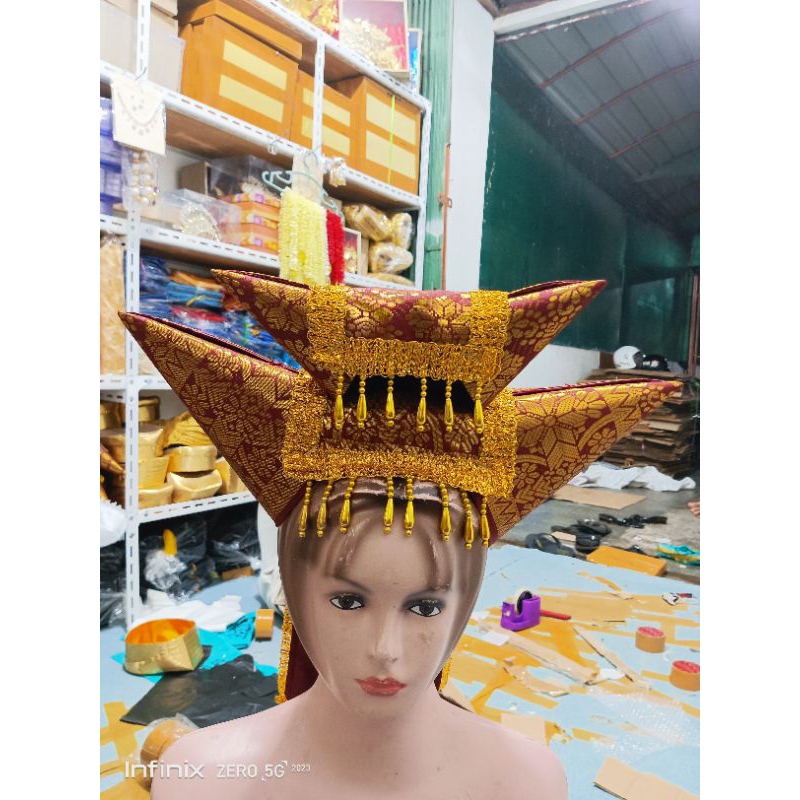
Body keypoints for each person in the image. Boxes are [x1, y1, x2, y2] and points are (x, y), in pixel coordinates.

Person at [121, 273, 678, 799]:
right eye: (347, 600)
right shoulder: (200, 778)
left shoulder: (526, 783)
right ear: (293, 585)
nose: (385, 650)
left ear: (466, 601)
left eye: (425, 606)